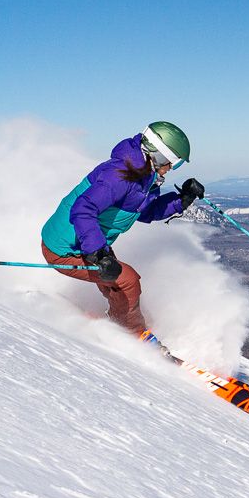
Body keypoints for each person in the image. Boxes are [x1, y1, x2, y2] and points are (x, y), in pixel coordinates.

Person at [40, 121, 205, 337]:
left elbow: (145, 211)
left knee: (116, 282)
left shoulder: (144, 179)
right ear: (156, 153)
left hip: (88, 242)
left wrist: (181, 200)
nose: (171, 168)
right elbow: (83, 209)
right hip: (63, 249)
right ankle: (131, 332)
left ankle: (121, 321)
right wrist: (98, 254)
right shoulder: (119, 175)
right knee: (128, 281)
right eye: (171, 161)